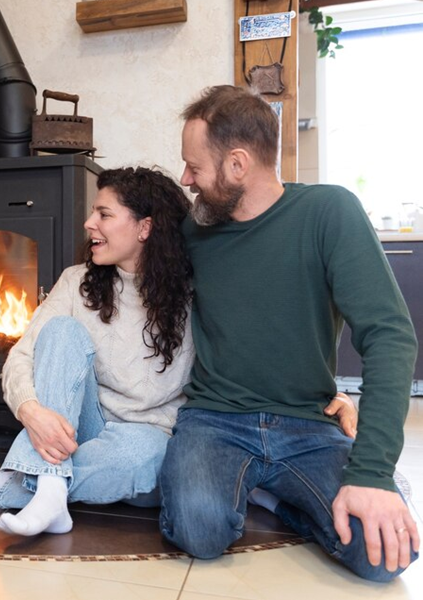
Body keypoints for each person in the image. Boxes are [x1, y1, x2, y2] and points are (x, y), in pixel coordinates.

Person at [160, 85, 420, 581]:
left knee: (384, 556)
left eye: (195, 166)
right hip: (216, 420)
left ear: (237, 165)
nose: (185, 178)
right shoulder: (195, 230)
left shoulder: (330, 213)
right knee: (199, 532)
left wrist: (373, 474)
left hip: (309, 424)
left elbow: (389, 335)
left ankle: (274, 495)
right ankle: (265, 490)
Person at [0, 167, 196, 536]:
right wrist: (31, 411)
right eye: (93, 212)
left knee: (146, 461)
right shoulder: (76, 281)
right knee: (61, 331)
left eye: (104, 214)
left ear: (145, 227)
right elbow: (20, 357)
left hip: (144, 438)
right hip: (80, 427)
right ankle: (50, 489)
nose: (88, 223)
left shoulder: (192, 294)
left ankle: (12, 484)